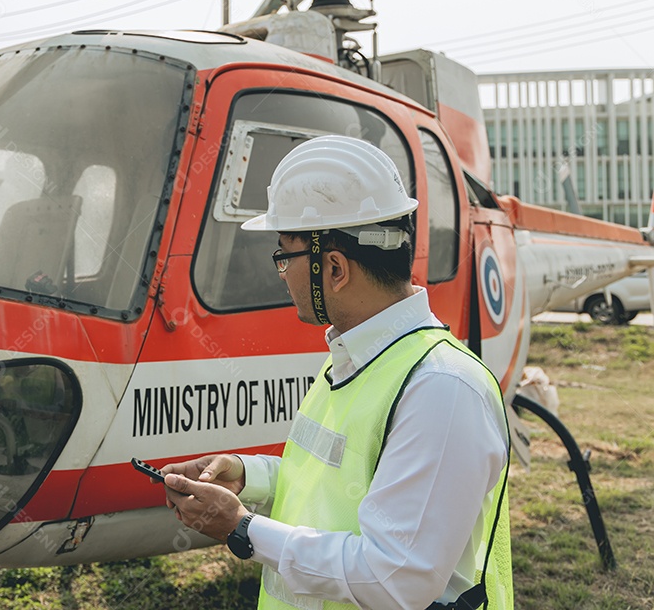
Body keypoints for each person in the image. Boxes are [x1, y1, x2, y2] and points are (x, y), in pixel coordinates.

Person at [159, 136, 512, 610]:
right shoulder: (354, 357)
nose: (282, 273)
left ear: (336, 268)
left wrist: (242, 528)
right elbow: (335, 482)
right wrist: (248, 475)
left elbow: (395, 579)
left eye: (285, 256)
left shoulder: (442, 389)